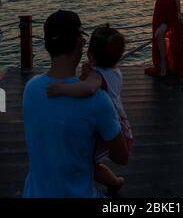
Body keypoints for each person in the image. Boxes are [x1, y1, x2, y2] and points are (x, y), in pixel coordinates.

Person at [23, 10, 128, 198]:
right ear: (79, 43)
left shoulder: (30, 90)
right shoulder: (97, 100)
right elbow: (121, 157)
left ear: (47, 45)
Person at [47, 23, 133, 194]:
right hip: (119, 124)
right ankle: (114, 183)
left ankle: (113, 182)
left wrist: (62, 88)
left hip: (107, 128)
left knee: (88, 163)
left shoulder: (96, 76)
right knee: (90, 163)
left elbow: (88, 89)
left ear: (91, 55)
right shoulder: (115, 71)